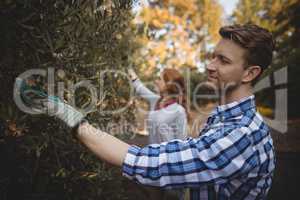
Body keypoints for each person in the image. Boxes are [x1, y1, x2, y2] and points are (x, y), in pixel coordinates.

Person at [17, 23, 276, 199]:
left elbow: (147, 163)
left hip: (170, 178)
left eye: (224, 60)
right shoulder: (225, 117)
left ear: (250, 73)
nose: (210, 65)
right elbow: (142, 90)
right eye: (213, 56)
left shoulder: (240, 136)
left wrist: (65, 112)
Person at [128, 68, 188, 199]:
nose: (156, 81)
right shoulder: (155, 101)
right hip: (153, 165)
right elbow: (139, 87)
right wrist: (129, 70)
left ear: (169, 84)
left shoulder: (178, 111)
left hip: (170, 171)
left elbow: (182, 144)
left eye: (160, 79)